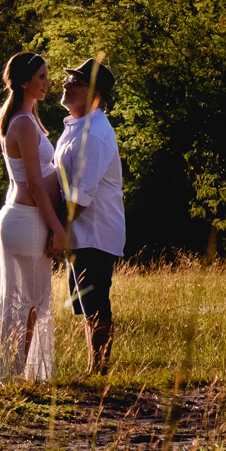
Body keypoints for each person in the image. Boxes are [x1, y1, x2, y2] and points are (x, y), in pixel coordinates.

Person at [0, 52, 67, 386]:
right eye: (41, 77)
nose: (47, 83)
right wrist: (57, 228)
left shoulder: (26, 119)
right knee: (28, 303)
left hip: (23, 218)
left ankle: (16, 374)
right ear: (24, 82)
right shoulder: (21, 123)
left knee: (26, 301)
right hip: (27, 219)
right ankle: (15, 375)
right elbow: (33, 185)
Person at [54, 57, 126, 376]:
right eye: (68, 79)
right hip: (80, 232)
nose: (66, 84)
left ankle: (99, 371)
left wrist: (56, 229)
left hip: (94, 232)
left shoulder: (95, 134)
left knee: (95, 302)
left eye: (76, 82)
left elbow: (81, 195)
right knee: (86, 305)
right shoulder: (77, 127)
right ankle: (94, 368)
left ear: (95, 94)